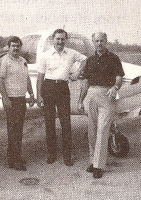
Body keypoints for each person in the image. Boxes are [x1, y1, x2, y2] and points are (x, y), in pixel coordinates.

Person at [37, 29, 86, 166]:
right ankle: (51, 154)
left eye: (62, 39)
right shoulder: (45, 55)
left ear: (66, 40)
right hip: (48, 88)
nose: (60, 42)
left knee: (66, 123)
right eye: (57, 39)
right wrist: (39, 96)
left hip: (63, 88)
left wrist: (77, 72)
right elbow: (40, 77)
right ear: (53, 39)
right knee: (50, 123)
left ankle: (67, 156)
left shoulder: (71, 53)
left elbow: (85, 61)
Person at [78, 32, 125, 178]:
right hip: (91, 95)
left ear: (106, 41)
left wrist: (115, 88)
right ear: (93, 42)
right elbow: (85, 83)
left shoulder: (113, 58)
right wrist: (80, 100)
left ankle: (99, 166)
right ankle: (93, 161)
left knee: (103, 129)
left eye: (102, 41)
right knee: (92, 130)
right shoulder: (89, 60)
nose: (99, 43)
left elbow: (119, 78)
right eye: (96, 41)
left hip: (107, 95)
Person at [0, 36, 34, 171]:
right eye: (13, 46)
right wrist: (5, 98)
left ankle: (15, 156)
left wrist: (31, 94)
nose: (16, 48)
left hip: (21, 98)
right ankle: (13, 160)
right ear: (8, 47)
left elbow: (27, 78)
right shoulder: (4, 61)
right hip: (11, 99)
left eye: (18, 46)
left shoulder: (23, 61)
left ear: (20, 47)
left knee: (18, 129)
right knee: (13, 130)